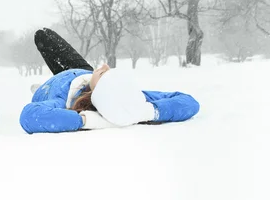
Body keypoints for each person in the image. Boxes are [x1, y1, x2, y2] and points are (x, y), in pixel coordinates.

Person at [20, 28, 200, 134]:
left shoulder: (64, 102)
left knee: (42, 41)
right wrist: (148, 112)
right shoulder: (131, 98)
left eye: (104, 74)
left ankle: (40, 85)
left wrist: (85, 121)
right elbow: (189, 103)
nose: (105, 65)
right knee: (43, 35)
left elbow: (29, 116)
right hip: (82, 73)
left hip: (52, 89)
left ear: (98, 93)